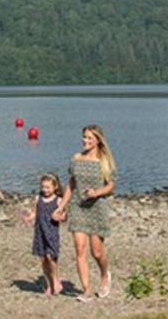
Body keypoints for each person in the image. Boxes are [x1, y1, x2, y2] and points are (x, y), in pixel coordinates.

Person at [54, 124, 117, 302]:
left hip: (97, 207)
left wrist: (97, 193)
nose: (85, 141)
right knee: (79, 250)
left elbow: (111, 185)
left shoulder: (104, 161)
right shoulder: (75, 158)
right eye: (84, 137)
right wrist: (62, 206)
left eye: (89, 138)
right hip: (78, 207)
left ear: (98, 140)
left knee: (96, 252)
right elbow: (72, 184)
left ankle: (105, 275)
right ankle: (87, 290)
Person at [22, 173, 63, 297]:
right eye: (43, 187)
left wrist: (60, 217)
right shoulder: (38, 198)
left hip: (51, 233)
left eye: (48, 187)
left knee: (51, 258)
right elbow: (35, 212)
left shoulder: (58, 200)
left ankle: (55, 281)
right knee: (43, 259)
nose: (45, 190)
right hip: (40, 232)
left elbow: (64, 216)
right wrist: (29, 218)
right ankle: (49, 284)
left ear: (55, 187)